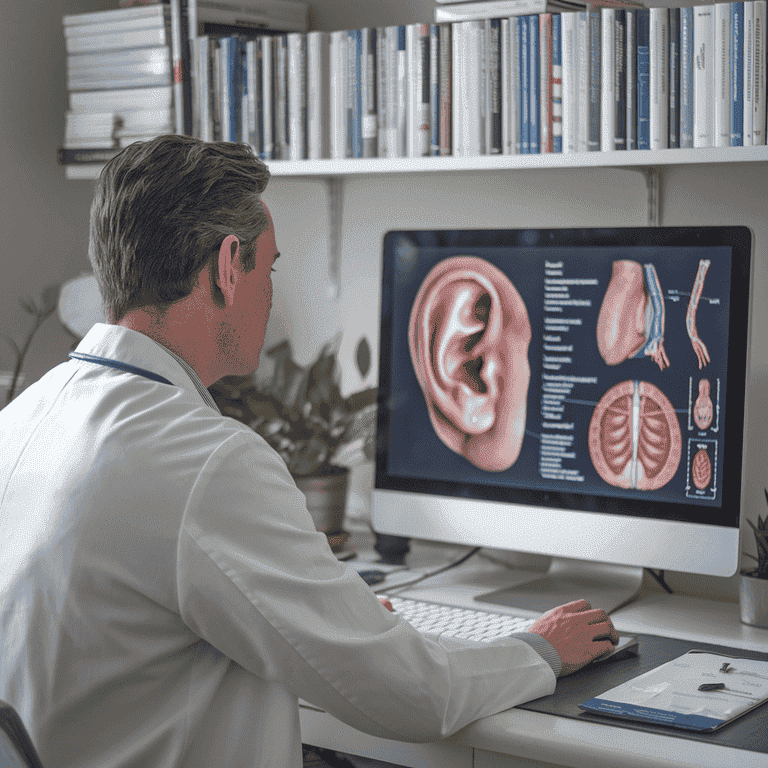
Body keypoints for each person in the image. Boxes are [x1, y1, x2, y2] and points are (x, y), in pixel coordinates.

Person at [0, 135, 618, 768]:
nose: (270, 294)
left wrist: (324, 619)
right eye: (268, 269)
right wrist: (541, 650)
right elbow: (411, 698)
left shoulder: (21, 420)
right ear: (227, 264)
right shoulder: (206, 462)